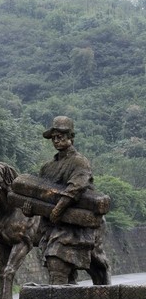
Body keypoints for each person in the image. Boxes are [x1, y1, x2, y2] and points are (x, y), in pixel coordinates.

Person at [33, 116, 110, 285]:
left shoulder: (79, 162)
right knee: (58, 268)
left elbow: (75, 188)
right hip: (52, 225)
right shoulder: (47, 167)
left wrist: (58, 209)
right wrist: (30, 208)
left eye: (61, 136)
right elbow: (40, 195)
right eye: (54, 137)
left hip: (75, 225)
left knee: (58, 261)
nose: (57, 140)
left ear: (71, 137)